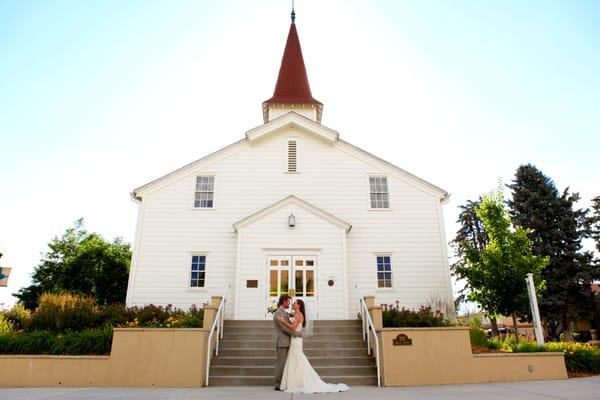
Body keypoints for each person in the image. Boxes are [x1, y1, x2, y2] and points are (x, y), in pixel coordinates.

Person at [277, 299, 349, 393]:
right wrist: (283, 312)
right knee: (295, 358)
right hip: (294, 339)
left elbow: (293, 327)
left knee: (298, 358)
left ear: (299, 305)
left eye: (294, 303)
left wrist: (283, 321)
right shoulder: (295, 313)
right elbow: (288, 314)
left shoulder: (299, 315)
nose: (292, 304)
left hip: (296, 340)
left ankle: (300, 382)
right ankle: (296, 381)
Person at [273, 294, 302, 391]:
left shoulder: (284, 312)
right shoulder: (278, 313)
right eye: (289, 301)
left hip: (287, 342)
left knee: (284, 364)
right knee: (280, 364)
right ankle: (277, 384)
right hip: (282, 342)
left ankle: (283, 383)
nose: (290, 303)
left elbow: (293, 319)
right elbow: (284, 328)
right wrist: (296, 333)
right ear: (284, 302)